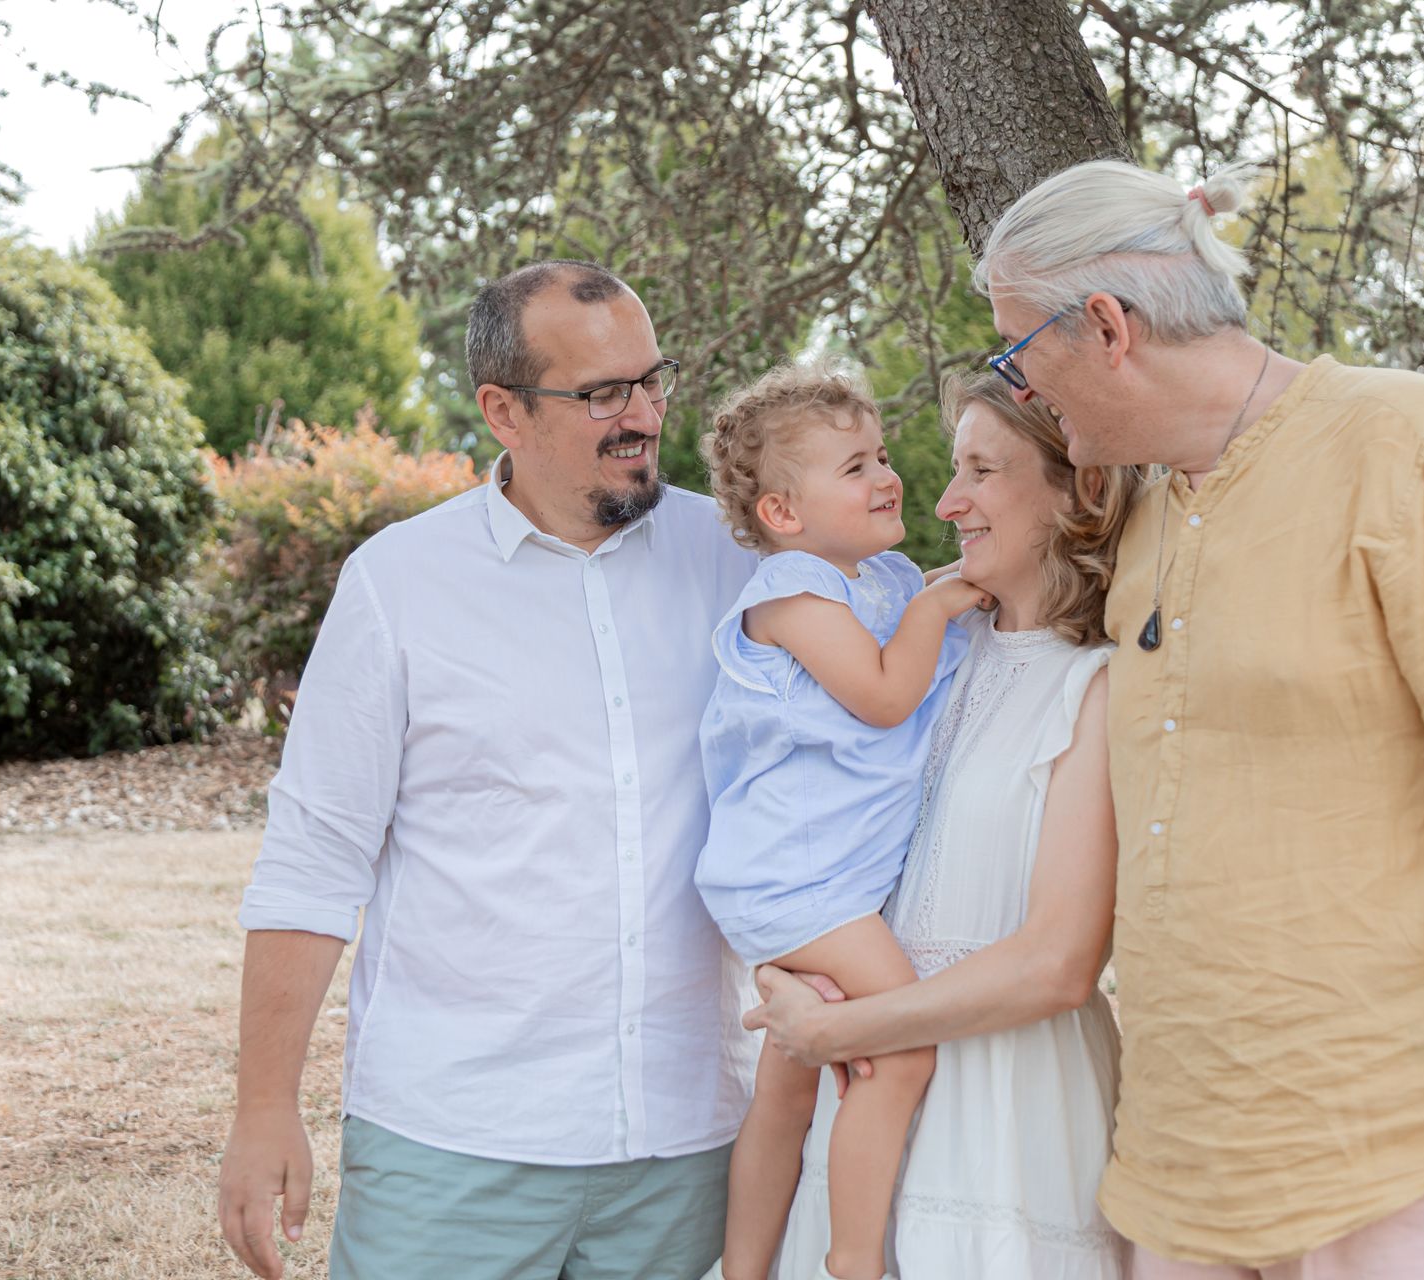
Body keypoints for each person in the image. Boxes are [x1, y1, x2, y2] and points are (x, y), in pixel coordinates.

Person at [972, 159, 1424, 1278]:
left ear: (1106, 326)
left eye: (1017, 353)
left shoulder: (1411, 450)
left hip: (1397, 1170)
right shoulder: (1145, 510)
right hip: (1178, 1181)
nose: (1020, 387)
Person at [217, 260, 759, 1280]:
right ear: (502, 410)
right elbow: (315, 858)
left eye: (652, 379)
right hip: (451, 1146)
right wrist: (262, 1108)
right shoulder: (397, 586)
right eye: (602, 393)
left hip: (687, 1139)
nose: (642, 414)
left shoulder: (738, 559)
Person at [747, 371, 1147, 1279]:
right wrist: (786, 954)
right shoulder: (920, 649)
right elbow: (801, 811)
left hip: (1010, 1102)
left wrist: (842, 1035)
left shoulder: (1101, 683)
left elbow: (1059, 964)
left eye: (980, 472)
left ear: (1078, 488)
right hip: (866, 1086)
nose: (944, 500)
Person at [693, 363, 980, 1280]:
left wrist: (942, 587)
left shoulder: (883, 576)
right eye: (855, 467)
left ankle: (744, 1270)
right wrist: (944, 599)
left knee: (788, 1084)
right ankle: (851, 1265)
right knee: (898, 1054)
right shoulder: (794, 596)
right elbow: (889, 695)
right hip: (800, 882)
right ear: (783, 514)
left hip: (826, 880)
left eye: (883, 454)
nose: (887, 476)